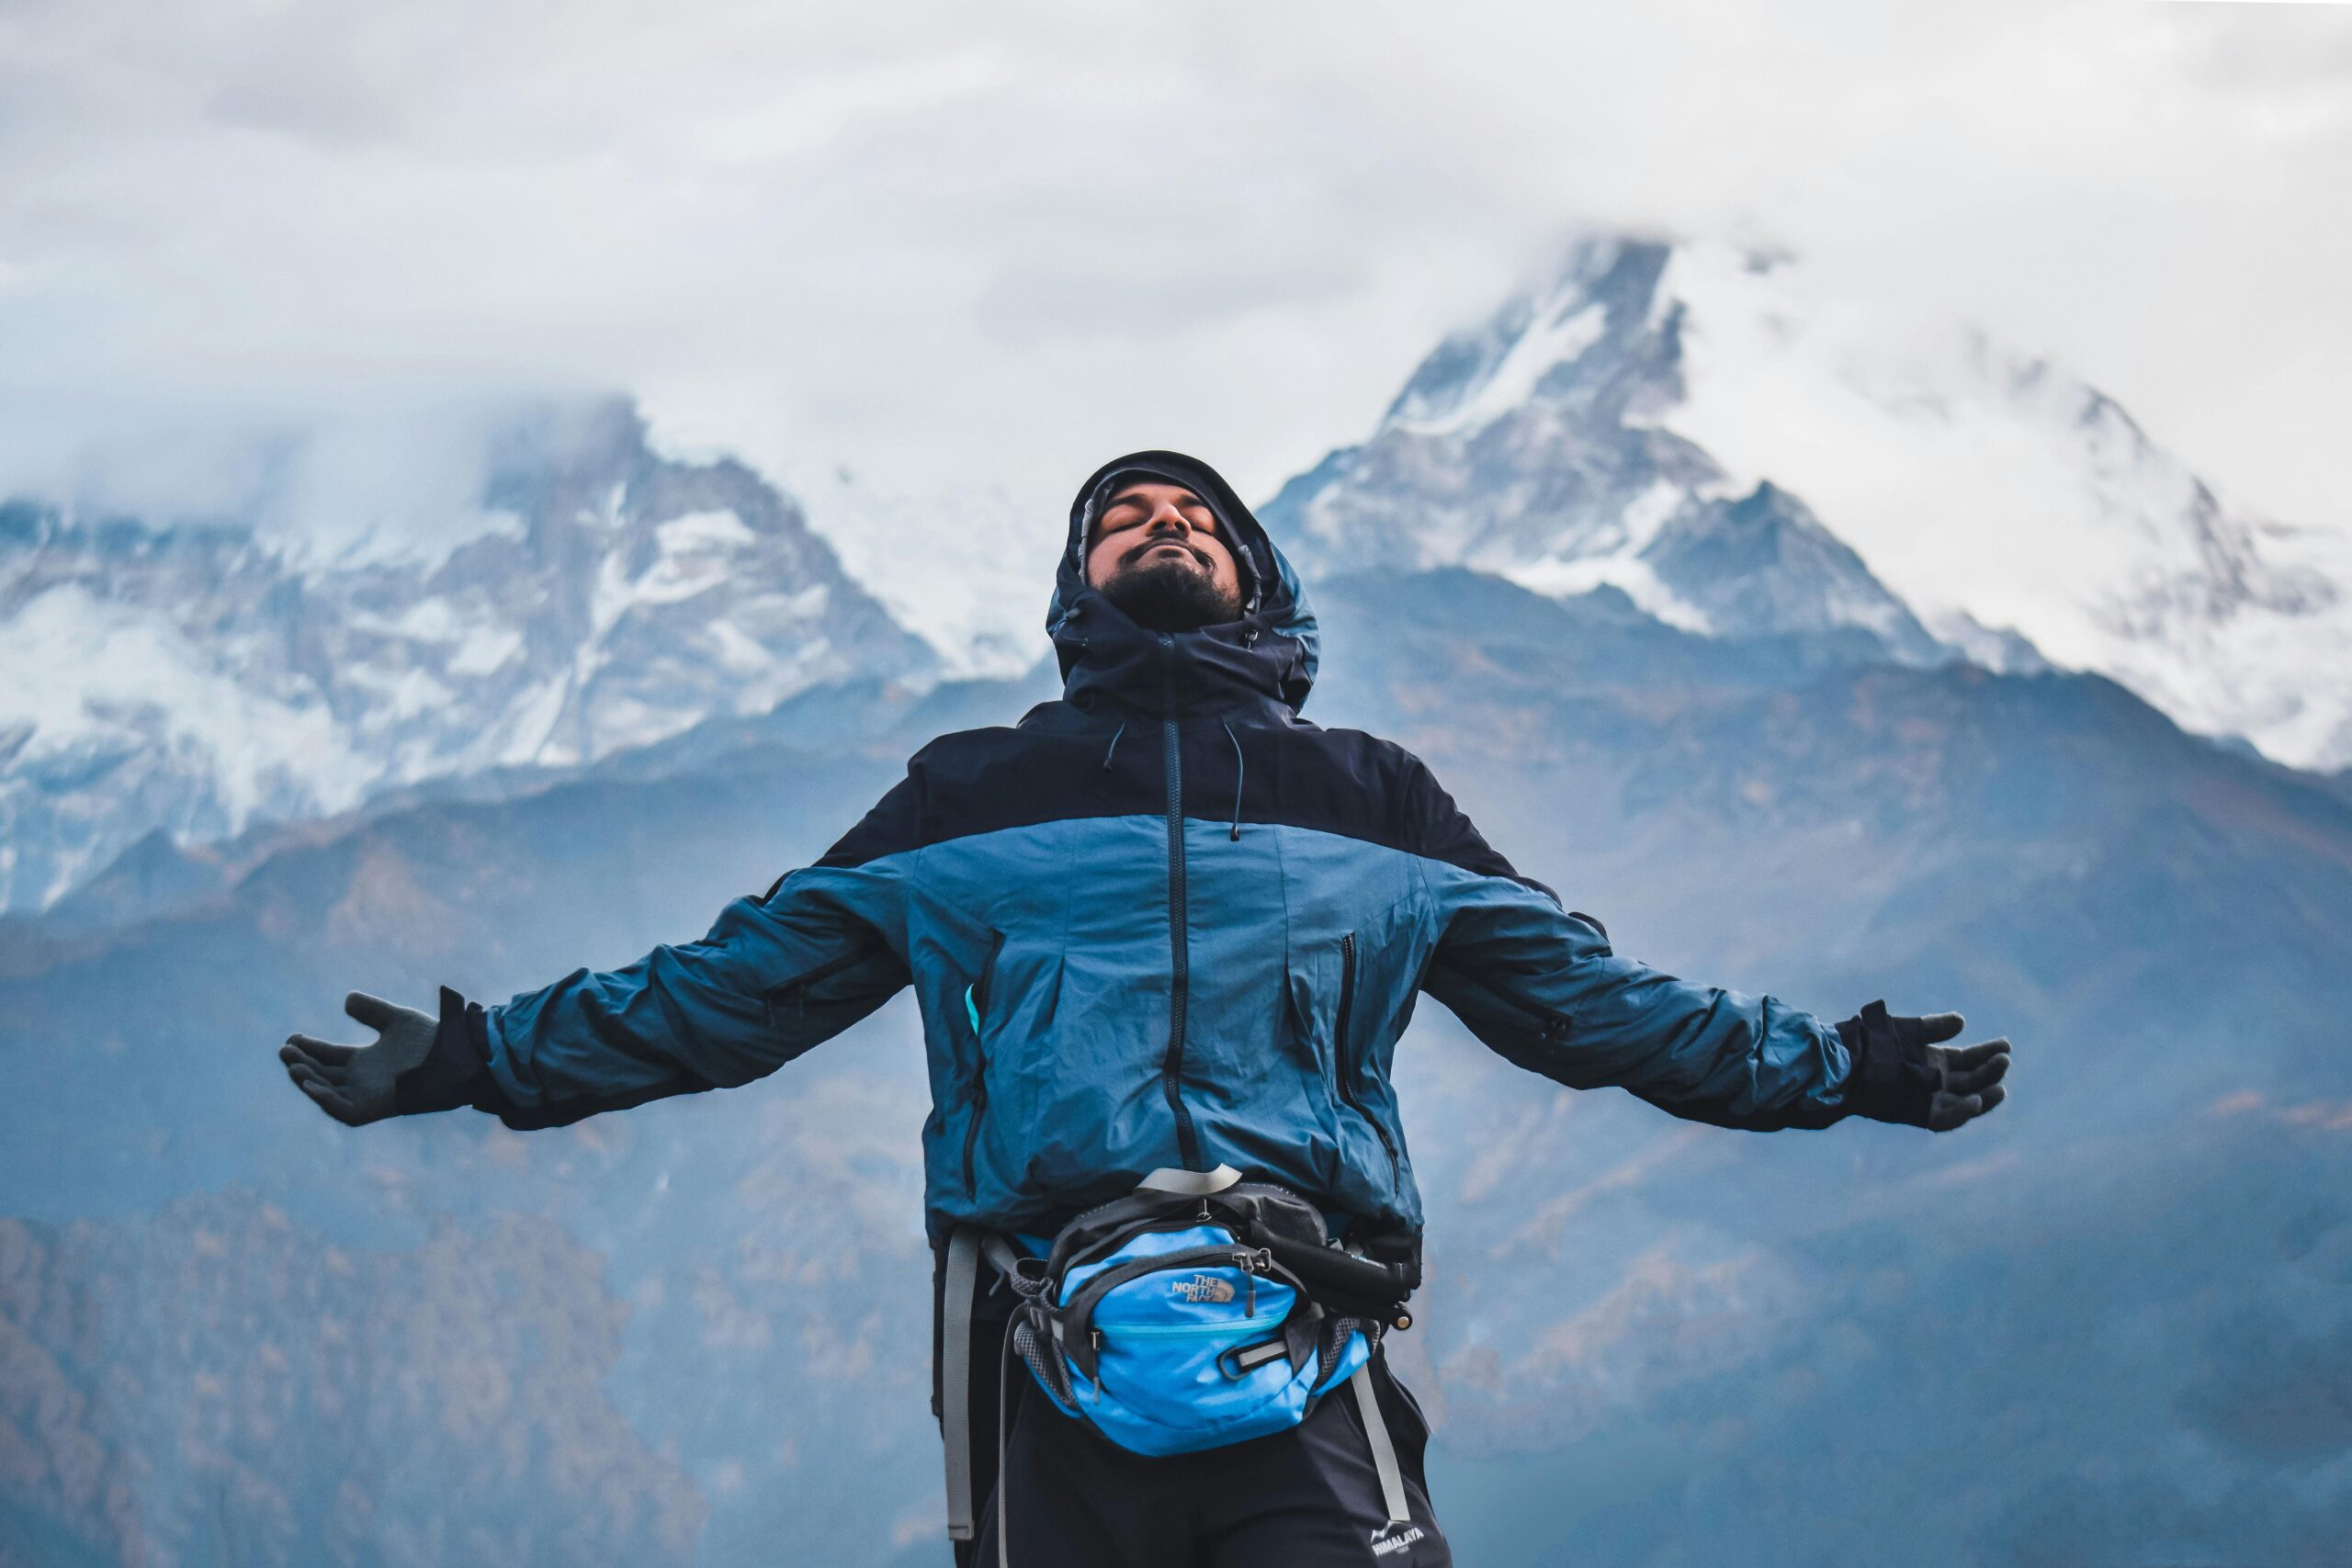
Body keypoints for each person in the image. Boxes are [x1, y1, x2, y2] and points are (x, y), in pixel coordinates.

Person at [278, 451, 2012, 1566]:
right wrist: (486, 1058)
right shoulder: (970, 795)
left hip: (1304, 1335)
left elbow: (1596, 1004)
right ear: (1075, 598)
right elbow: (739, 988)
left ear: (1261, 589)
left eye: (1197, 518)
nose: (1163, 527)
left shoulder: (1374, 796)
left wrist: (1836, 1070)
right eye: (1125, 519)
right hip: (1043, 1350)